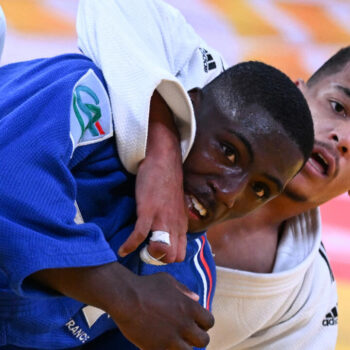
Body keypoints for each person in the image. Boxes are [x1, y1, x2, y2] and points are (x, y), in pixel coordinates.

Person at [0, 2, 314, 350]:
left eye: (259, 189)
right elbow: (8, 185)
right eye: (228, 152)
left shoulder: (188, 281)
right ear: (190, 106)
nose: (229, 193)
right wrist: (125, 296)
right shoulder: (89, 96)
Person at [205, 46, 350, 350]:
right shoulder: (199, 105)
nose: (343, 139)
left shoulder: (308, 304)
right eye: (338, 107)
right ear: (295, 95)